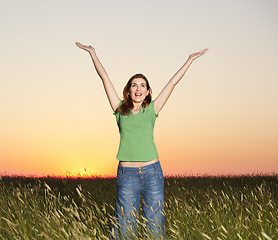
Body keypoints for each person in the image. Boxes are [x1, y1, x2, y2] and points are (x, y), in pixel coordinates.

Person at [76, 42, 208, 239]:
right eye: (134, 85)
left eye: (143, 85)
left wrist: (189, 60)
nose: (138, 88)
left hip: (152, 173)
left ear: (147, 92)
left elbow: (172, 83)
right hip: (126, 174)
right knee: (125, 224)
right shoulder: (119, 109)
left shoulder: (152, 110)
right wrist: (93, 54)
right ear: (128, 91)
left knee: (155, 222)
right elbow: (105, 78)